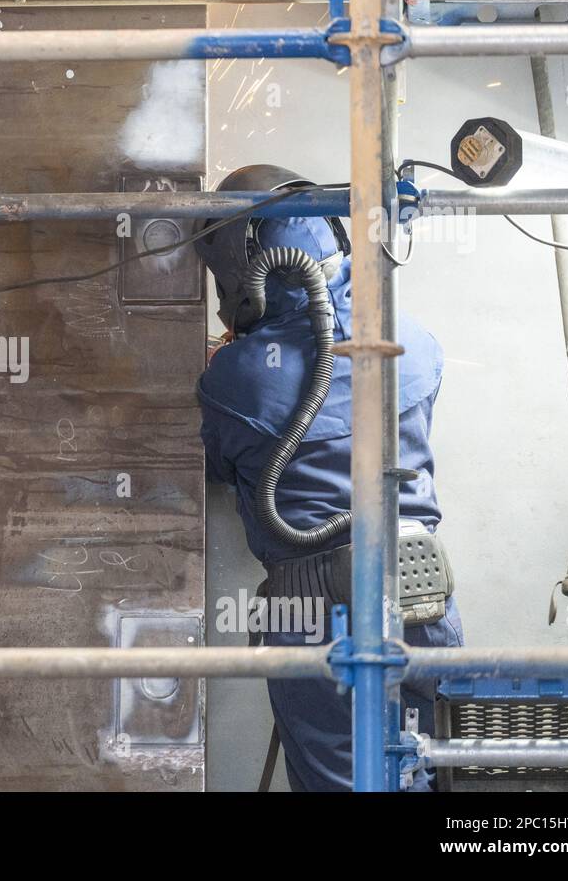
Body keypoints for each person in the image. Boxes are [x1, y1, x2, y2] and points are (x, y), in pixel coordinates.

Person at [195, 165, 464, 792]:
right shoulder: (414, 341)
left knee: (342, 782)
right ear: (337, 241)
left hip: (314, 608)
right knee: (441, 769)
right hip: (422, 591)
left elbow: (215, 467)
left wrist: (231, 358)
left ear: (241, 270)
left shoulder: (236, 379)